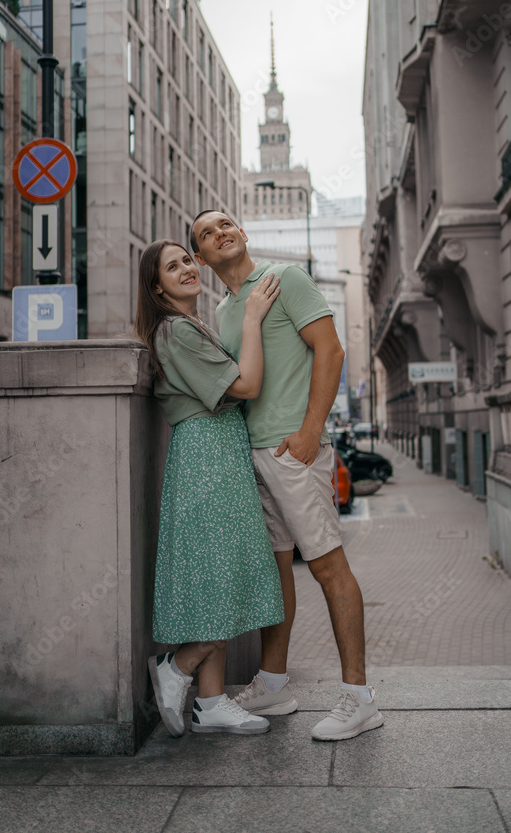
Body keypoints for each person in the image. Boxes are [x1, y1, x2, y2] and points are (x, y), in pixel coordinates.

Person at [191, 211, 384, 742]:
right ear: (202, 258)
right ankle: (274, 683)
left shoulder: (284, 279)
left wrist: (309, 431)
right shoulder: (227, 309)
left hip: (293, 452)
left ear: (243, 234)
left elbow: (332, 349)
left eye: (226, 223)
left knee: (327, 567)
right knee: (277, 573)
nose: (220, 233)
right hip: (250, 453)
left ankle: (360, 698)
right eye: (207, 234)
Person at [134, 238, 285, 737]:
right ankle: (177, 666)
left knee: (215, 573)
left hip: (214, 448)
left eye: (187, 260)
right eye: (171, 266)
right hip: (207, 452)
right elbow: (244, 388)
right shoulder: (176, 329)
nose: (186, 269)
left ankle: (212, 701)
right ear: (156, 285)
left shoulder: (190, 325)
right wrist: (253, 317)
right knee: (218, 571)